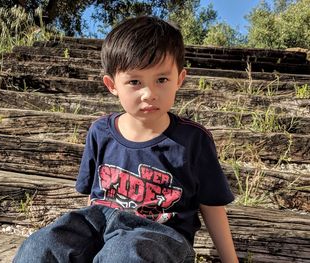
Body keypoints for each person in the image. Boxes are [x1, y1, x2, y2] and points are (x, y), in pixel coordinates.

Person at [13, 16, 238, 263]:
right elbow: (92, 197)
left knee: (123, 253)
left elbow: (212, 206)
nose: (149, 94)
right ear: (112, 84)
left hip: (160, 236)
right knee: (40, 245)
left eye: (161, 80)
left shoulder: (193, 140)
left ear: (179, 79)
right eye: (134, 82)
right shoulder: (100, 132)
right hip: (101, 221)